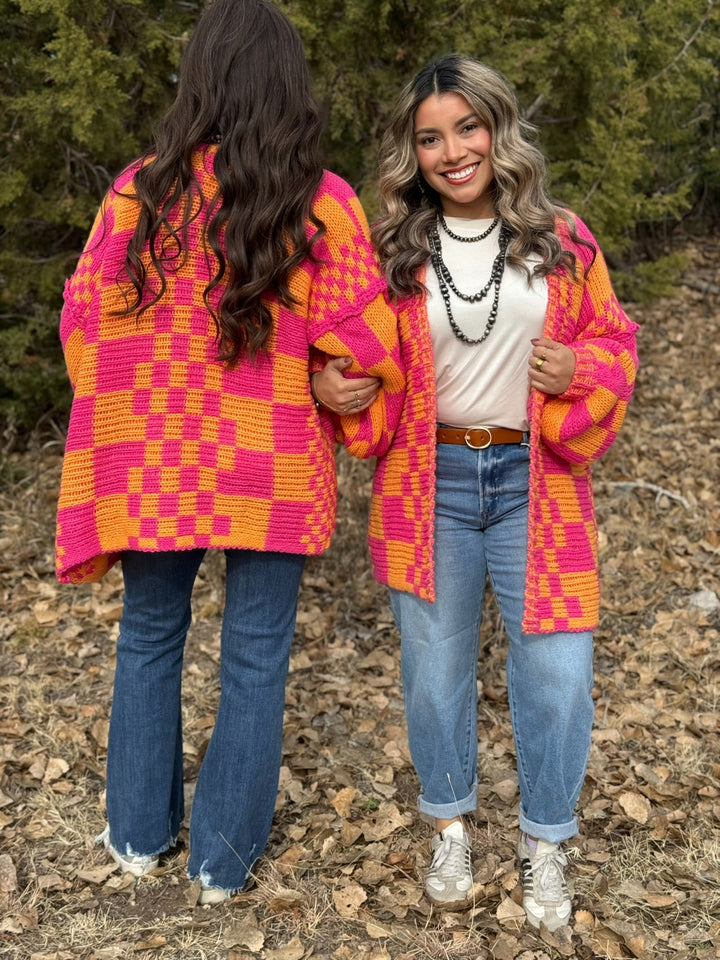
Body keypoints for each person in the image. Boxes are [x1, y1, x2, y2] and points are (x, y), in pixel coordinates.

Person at [55, 0, 404, 904]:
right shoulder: (322, 200)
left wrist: (130, 407)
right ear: (288, 84)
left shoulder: (137, 192)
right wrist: (329, 385)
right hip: (271, 464)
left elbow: (83, 324)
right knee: (254, 654)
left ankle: (137, 835)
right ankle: (220, 863)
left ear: (200, 77)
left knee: (149, 634)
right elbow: (364, 343)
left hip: (152, 461)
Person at [312, 55, 638, 931]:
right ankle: (451, 826)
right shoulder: (389, 253)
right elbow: (344, 351)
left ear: (499, 130)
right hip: (431, 484)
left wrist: (581, 368)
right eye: (431, 139)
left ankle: (546, 841)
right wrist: (330, 386)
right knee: (434, 672)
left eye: (468, 128)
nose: (453, 152)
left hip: (539, 482)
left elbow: (617, 344)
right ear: (411, 153)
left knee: (559, 673)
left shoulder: (564, 241)